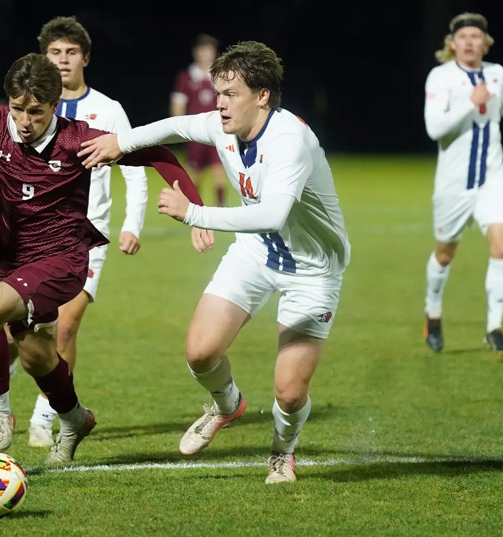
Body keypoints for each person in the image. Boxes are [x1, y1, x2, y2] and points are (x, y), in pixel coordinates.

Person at [80, 41, 350, 484]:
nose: (219, 104)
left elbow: (273, 214)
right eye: (218, 92)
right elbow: (175, 126)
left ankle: (282, 451)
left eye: (231, 94)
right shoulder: (221, 126)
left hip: (312, 268)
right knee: (201, 351)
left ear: (262, 95)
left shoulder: (290, 140)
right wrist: (118, 142)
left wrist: (194, 214)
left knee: (288, 390)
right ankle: (228, 405)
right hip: (257, 250)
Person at [0, 53, 203, 463]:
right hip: (15, 261)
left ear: (55, 106)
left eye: (35, 111)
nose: (23, 120)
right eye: (17, 108)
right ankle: (74, 419)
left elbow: (159, 154)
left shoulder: (78, 140)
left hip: (64, 259)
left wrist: (196, 213)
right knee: (36, 352)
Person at [0, 16, 150, 448]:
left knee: (65, 328)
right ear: (44, 59)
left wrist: (133, 223)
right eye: (55, 53)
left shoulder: (106, 110)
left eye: (71, 52)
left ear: (85, 58)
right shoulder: (26, 109)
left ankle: (42, 417)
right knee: (27, 335)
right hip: (29, 240)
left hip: (86, 238)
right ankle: (11, 372)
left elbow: (137, 164)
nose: (63, 60)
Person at [422, 13, 503, 356]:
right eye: (462, 36)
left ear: (485, 43)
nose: (468, 42)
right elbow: (435, 129)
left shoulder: (495, 73)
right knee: (445, 254)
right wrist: (471, 102)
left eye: (475, 36)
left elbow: (499, 97)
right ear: (452, 44)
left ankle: (494, 327)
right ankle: (432, 312)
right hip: (453, 186)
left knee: (502, 248)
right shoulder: (440, 77)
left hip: (491, 179)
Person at [171, 34, 229, 207]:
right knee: (194, 177)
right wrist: (179, 128)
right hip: (196, 134)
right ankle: (194, 210)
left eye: (209, 51)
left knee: (220, 176)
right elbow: (178, 104)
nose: (205, 54)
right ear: (196, 52)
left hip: (219, 133)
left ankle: (221, 211)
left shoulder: (221, 76)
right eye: (202, 50)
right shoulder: (186, 77)